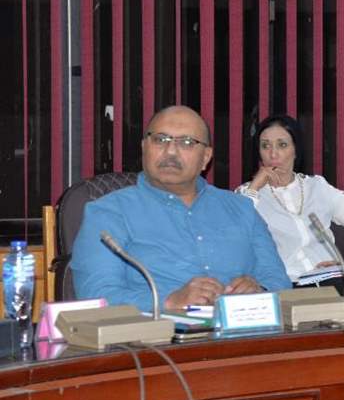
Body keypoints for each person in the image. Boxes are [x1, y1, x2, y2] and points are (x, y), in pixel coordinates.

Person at [72, 105, 291, 312]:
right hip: (157, 335)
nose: (170, 151)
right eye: (160, 140)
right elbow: (96, 296)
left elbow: (278, 280)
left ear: (205, 157)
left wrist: (260, 291)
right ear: (144, 148)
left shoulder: (242, 209)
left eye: (186, 142)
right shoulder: (107, 213)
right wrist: (168, 300)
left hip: (243, 331)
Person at [235, 115, 344, 283]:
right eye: (265, 146)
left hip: (329, 284)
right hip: (282, 285)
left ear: (296, 151)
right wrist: (255, 187)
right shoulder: (248, 194)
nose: (273, 154)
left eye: (282, 145)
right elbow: (234, 239)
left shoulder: (318, 187)